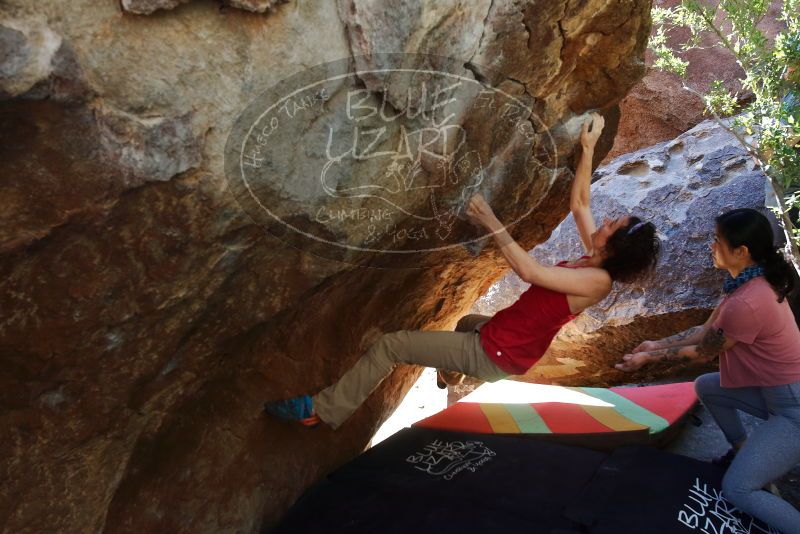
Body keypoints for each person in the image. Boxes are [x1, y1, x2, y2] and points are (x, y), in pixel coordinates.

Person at [264, 112, 660, 430]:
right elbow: (580, 204)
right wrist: (587, 148)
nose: (604, 223)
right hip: (502, 337)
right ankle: (451, 377)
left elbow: (530, 272)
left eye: (613, 226)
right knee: (467, 320)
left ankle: (323, 410)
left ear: (615, 246)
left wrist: (491, 221)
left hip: (495, 353)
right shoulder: (596, 257)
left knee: (391, 345)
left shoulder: (596, 279)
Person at [616, 208, 800, 534]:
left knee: (739, 489)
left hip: (793, 410)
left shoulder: (748, 301)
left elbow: (702, 352)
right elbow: (706, 330)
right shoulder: (744, 283)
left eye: (717, 241)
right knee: (708, 386)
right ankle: (743, 451)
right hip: (777, 396)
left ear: (741, 251)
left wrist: (648, 361)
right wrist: (654, 345)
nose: (712, 246)